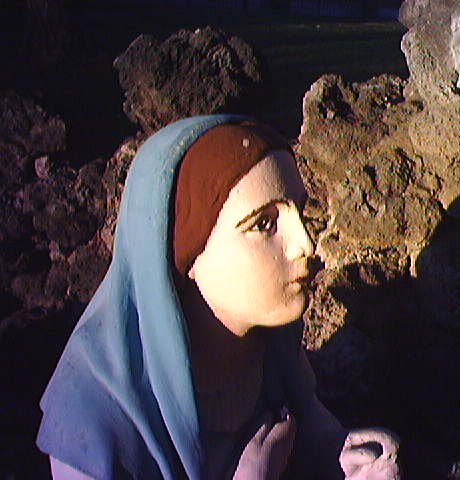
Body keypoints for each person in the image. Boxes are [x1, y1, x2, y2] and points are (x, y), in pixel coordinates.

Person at [37, 115, 400, 479]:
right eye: (263, 224)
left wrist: (337, 452)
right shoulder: (94, 417)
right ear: (183, 249)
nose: (306, 243)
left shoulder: (271, 342)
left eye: (301, 212)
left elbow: (302, 419)